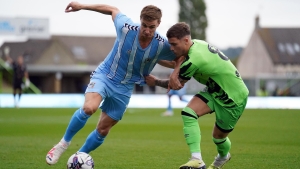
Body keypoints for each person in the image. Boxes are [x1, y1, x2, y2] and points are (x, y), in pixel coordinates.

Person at [46, 1, 179, 165]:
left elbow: (179, 58)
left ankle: (78, 158)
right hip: (105, 76)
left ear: (158, 24)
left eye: (151, 27)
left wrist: (174, 74)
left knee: (103, 130)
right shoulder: (126, 27)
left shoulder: (162, 44)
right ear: (140, 20)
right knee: (89, 108)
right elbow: (112, 9)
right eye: (144, 25)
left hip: (125, 87)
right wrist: (82, 6)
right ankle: (62, 144)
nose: (146, 30)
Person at [145, 22, 249, 169]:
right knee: (188, 113)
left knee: (218, 138)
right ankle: (197, 159)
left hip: (233, 97)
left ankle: (223, 157)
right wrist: (151, 57)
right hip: (214, 91)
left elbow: (176, 84)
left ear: (186, 40)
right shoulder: (196, 45)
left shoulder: (194, 60)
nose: (172, 49)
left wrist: (155, 81)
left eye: (174, 45)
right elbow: (177, 61)